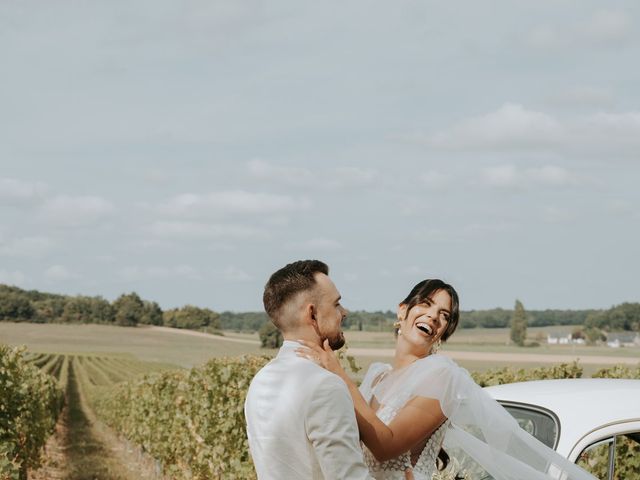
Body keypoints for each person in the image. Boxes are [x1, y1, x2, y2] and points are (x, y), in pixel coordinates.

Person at [297, 279, 597, 480]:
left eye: (444, 315)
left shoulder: (442, 376)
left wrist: (338, 372)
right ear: (403, 310)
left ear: (444, 331)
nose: (433, 316)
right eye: (425, 304)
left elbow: (386, 446)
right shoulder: (376, 377)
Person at [244, 260, 373, 480]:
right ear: (312, 314)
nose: (344, 312)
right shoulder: (325, 386)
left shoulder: (259, 381)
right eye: (336, 304)